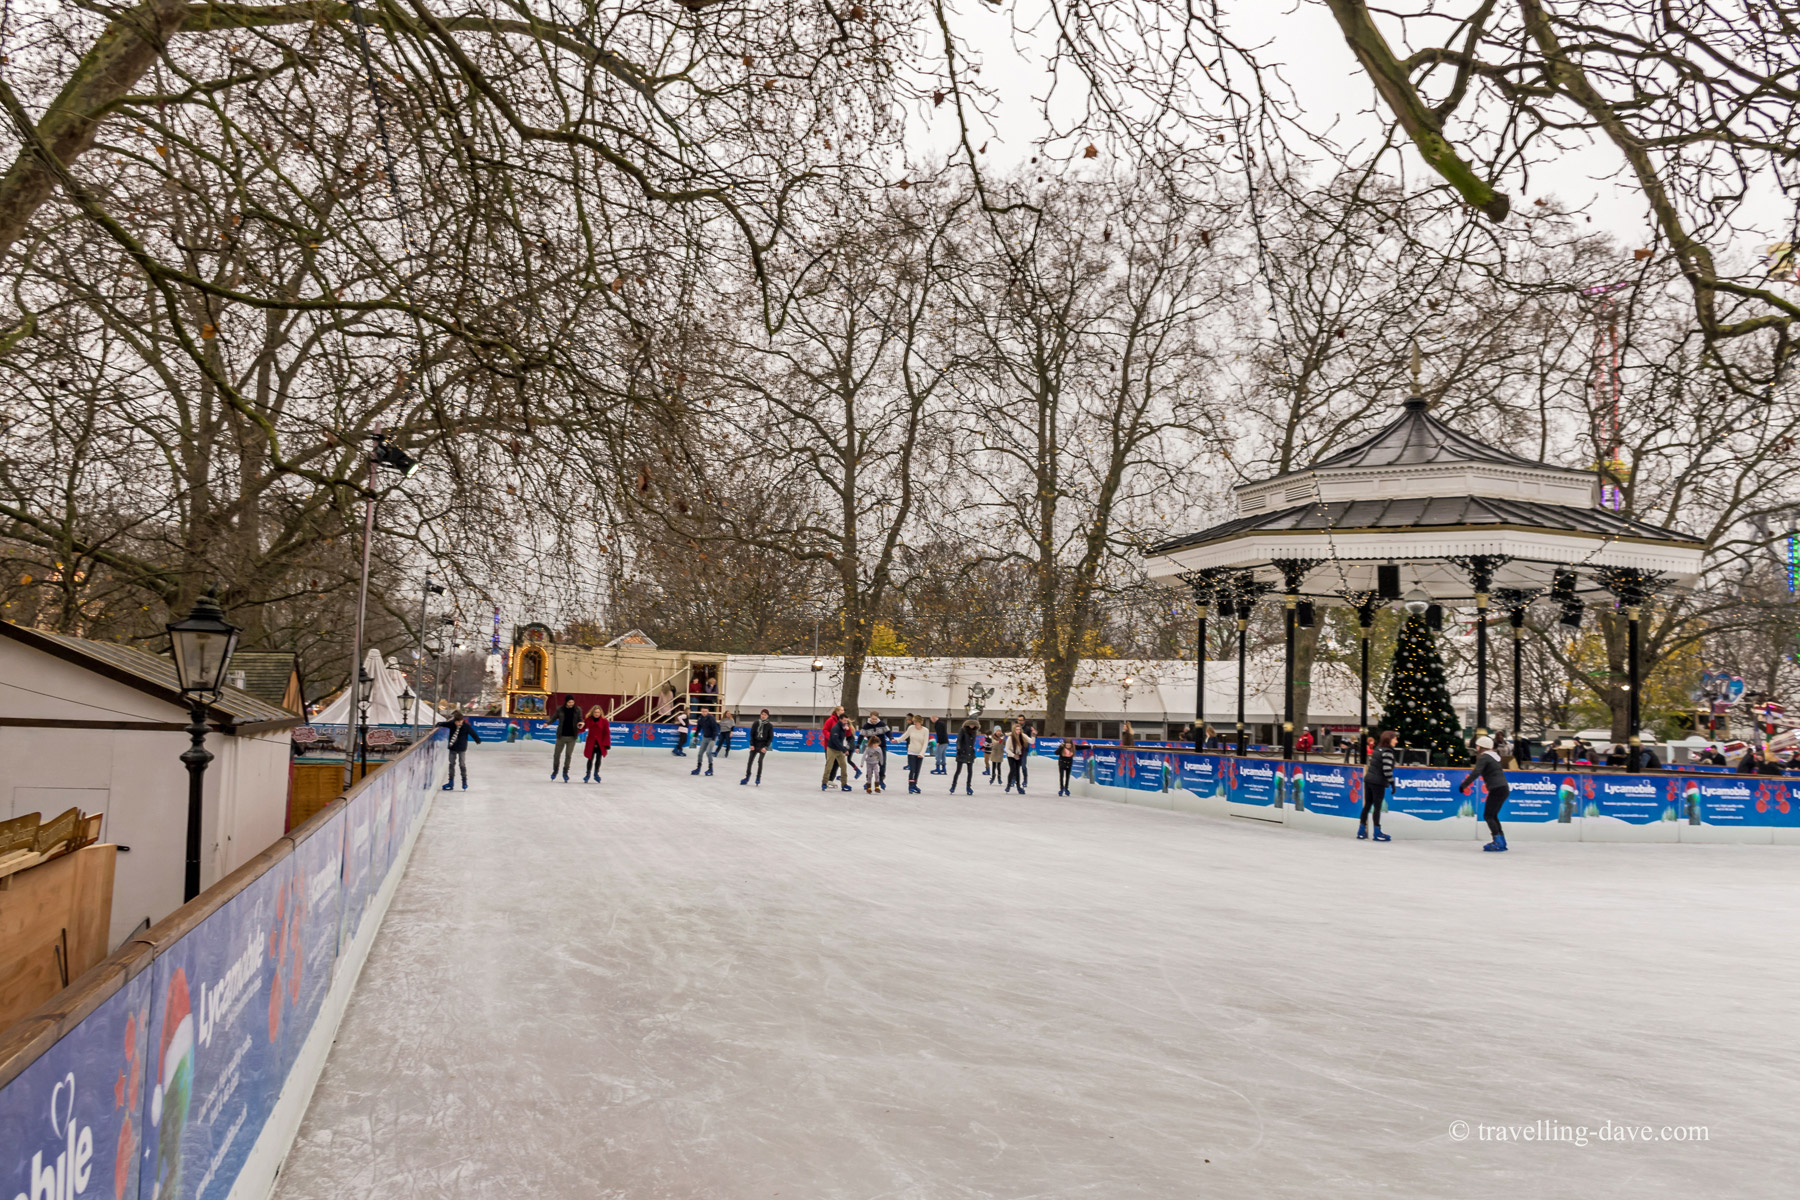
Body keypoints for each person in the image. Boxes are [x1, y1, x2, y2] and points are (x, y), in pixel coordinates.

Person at [1459, 733, 1511, 851]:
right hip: (1503, 788)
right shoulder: (1494, 756)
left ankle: (1498, 841)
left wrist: (1464, 785)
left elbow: (1476, 772)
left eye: (1477, 746)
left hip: (1497, 789)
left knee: (1488, 815)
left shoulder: (1484, 757)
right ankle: (1501, 841)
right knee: (1492, 815)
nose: (1476, 749)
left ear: (1481, 747)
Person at [1359, 730, 1396, 841]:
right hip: (1378, 782)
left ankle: (1361, 831)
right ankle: (1377, 832)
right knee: (1377, 807)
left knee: (1367, 805)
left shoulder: (1377, 749)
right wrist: (1392, 783)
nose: (1396, 741)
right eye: (1395, 738)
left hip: (1369, 780)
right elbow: (1387, 769)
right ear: (1389, 739)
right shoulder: (1387, 751)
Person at [438, 711, 481, 790]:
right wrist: (439, 724)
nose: (459, 723)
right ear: (455, 721)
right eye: (457, 722)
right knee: (451, 764)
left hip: (462, 748)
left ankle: (464, 781)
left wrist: (477, 740)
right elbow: (444, 724)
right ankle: (451, 781)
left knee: (462, 764)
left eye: (461, 722)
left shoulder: (466, 726)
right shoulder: (451, 724)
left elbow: (473, 733)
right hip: (452, 747)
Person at [550, 696, 582, 781]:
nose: (571, 704)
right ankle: (555, 770)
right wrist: (547, 723)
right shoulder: (560, 709)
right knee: (556, 755)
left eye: (572, 702)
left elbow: (580, 719)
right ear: (566, 702)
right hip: (561, 736)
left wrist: (581, 722)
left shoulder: (577, 710)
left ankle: (565, 772)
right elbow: (553, 718)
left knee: (568, 755)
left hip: (572, 737)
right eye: (569, 702)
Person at [742, 709, 775, 785]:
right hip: (755, 744)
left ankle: (758, 777)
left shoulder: (769, 725)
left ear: (767, 716)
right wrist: (752, 744)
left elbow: (770, 738)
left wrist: (766, 747)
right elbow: (752, 734)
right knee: (750, 761)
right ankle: (747, 777)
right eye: (762, 714)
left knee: (760, 761)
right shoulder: (756, 723)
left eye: (765, 715)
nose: (763, 716)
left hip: (763, 745)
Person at [822, 716, 854, 792]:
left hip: (839, 749)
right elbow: (835, 741)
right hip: (832, 749)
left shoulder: (844, 726)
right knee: (829, 766)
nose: (846, 722)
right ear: (840, 720)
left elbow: (848, 736)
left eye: (847, 720)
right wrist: (844, 750)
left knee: (844, 766)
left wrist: (848, 729)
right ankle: (824, 783)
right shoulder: (835, 728)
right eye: (844, 720)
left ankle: (844, 784)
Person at [580, 705, 610, 782]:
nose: (597, 714)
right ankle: (587, 774)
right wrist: (579, 727)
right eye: (595, 712)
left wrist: (607, 744)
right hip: (591, 742)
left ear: (600, 713)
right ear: (592, 712)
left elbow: (606, 732)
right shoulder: (588, 720)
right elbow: (583, 728)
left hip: (600, 742)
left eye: (598, 712)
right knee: (590, 759)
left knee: (598, 759)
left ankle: (596, 774)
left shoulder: (604, 721)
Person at [951, 719, 979, 795]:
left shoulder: (974, 732)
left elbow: (972, 743)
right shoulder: (963, 730)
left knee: (970, 771)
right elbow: (959, 740)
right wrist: (959, 749)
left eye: (973, 725)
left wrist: (972, 752)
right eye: (970, 725)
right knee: (958, 771)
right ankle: (953, 786)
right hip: (962, 753)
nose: (972, 726)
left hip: (970, 754)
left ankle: (968, 787)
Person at [690, 707, 720, 776]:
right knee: (700, 753)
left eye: (705, 711)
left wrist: (713, 739)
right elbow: (698, 728)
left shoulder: (711, 718)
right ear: (701, 711)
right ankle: (698, 768)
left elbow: (715, 729)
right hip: (705, 737)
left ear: (708, 711)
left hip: (712, 738)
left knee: (708, 752)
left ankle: (710, 768)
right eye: (703, 711)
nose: (704, 713)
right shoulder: (700, 718)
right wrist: (695, 736)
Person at [905, 715, 930, 793]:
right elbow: (905, 736)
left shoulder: (925, 730)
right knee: (912, 769)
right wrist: (897, 740)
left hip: (920, 753)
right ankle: (910, 786)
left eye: (916, 722)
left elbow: (925, 743)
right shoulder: (911, 728)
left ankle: (915, 784)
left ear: (920, 722)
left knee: (917, 770)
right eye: (914, 721)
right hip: (911, 751)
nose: (914, 723)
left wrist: (922, 753)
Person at [862, 720, 887, 793]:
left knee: (877, 773)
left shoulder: (879, 748)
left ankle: (879, 783)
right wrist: (862, 762)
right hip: (869, 763)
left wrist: (882, 762)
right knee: (869, 774)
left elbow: (881, 756)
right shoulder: (868, 748)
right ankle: (868, 785)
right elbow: (864, 755)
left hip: (875, 762)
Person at [1004, 720, 1028, 794]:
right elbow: (1006, 749)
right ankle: (1008, 785)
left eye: (1019, 729)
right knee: (1013, 769)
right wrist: (1014, 755)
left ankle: (1018, 787)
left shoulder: (1022, 736)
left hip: (1019, 755)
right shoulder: (1010, 738)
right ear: (1014, 730)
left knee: (1017, 770)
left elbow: (1031, 741)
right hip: (1011, 755)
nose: (1018, 731)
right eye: (1017, 729)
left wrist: (1033, 736)